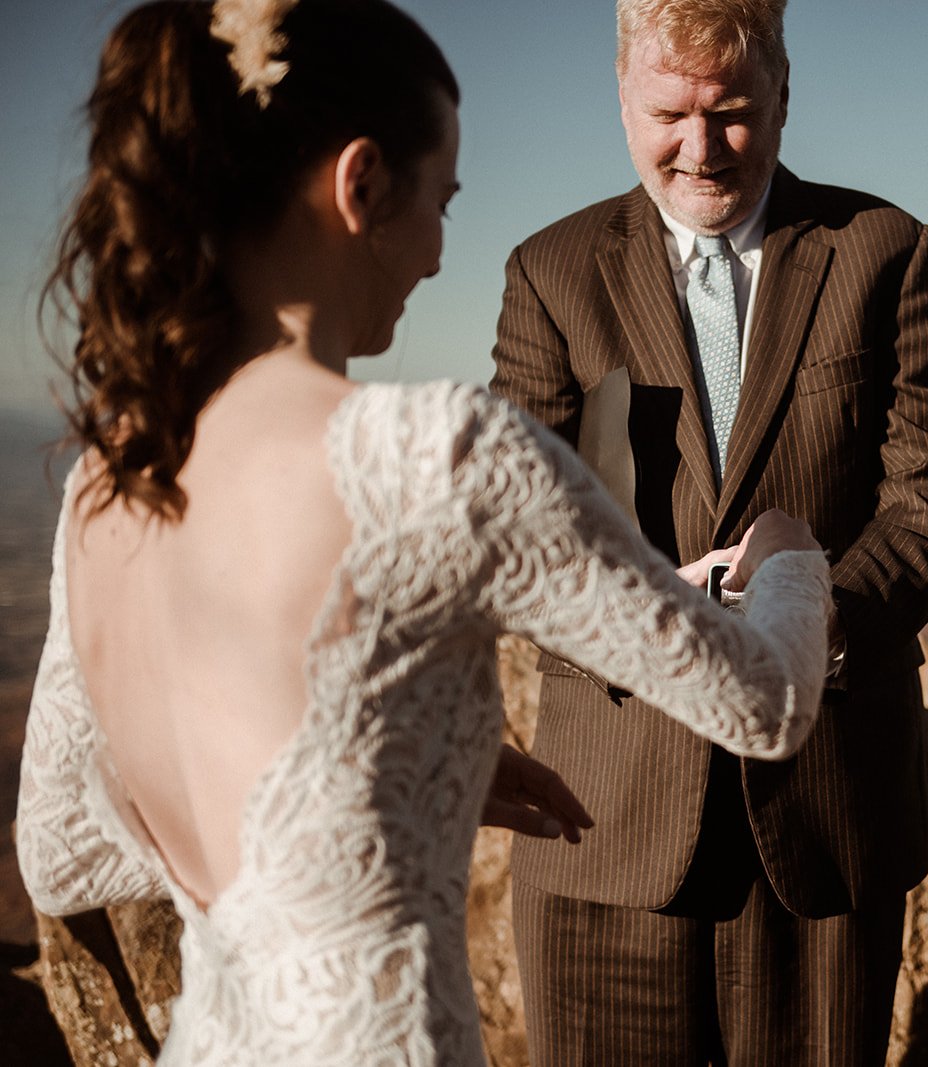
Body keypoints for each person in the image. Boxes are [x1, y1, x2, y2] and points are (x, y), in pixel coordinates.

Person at [15, 1, 836, 1063]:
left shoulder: (106, 479)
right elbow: (763, 703)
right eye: (440, 202)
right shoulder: (434, 455)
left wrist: (385, 773)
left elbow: (61, 853)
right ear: (362, 186)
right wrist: (789, 559)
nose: (442, 256)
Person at [490, 0, 928, 1060]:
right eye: (672, 113)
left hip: (822, 814)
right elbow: (517, 528)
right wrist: (650, 616)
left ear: (783, 96)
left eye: (734, 114)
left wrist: (807, 621)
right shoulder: (550, 272)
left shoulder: (885, 251)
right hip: (604, 822)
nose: (702, 149)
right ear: (623, 100)